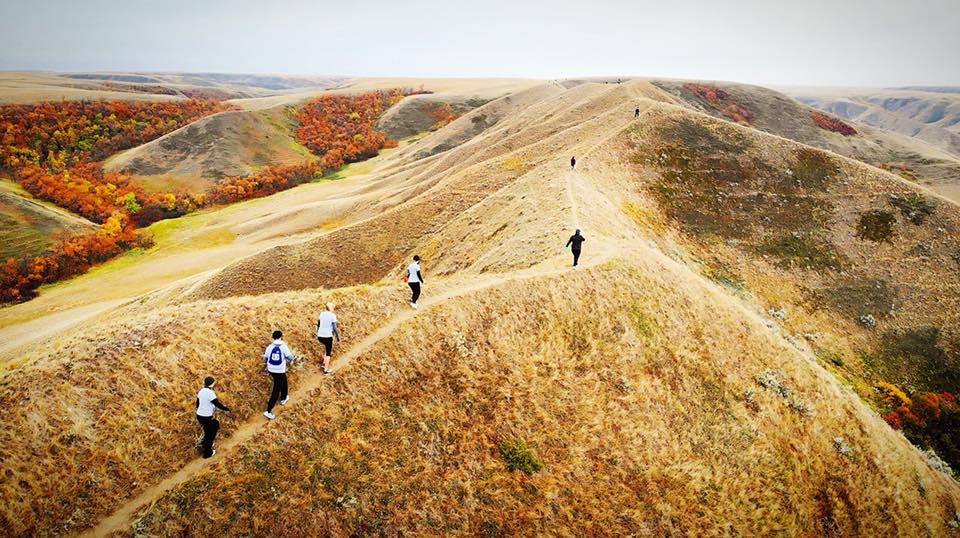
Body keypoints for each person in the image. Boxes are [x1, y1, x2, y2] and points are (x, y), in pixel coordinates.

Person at [196, 376, 230, 459]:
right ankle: (207, 452)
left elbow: (197, 403)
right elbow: (216, 403)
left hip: (199, 415)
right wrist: (226, 409)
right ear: (212, 384)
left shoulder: (201, 391)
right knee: (210, 433)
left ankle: (204, 443)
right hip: (206, 417)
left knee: (213, 425)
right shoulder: (210, 393)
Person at [263, 330, 293, 420]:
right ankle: (268, 411)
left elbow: (265, 358)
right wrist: (285, 363)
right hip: (280, 369)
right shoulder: (283, 346)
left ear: (273, 337)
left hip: (271, 370)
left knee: (284, 379)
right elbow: (290, 357)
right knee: (276, 389)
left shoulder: (270, 347)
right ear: (281, 337)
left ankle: (284, 396)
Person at [316, 302, 340, 375]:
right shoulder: (333, 316)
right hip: (327, 336)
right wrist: (337, 336)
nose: (334, 309)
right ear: (331, 308)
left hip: (320, 336)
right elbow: (335, 328)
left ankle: (324, 363)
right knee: (328, 352)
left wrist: (318, 331)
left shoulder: (322, 314)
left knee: (326, 348)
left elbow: (319, 323)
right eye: (333, 307)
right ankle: (326, 369)